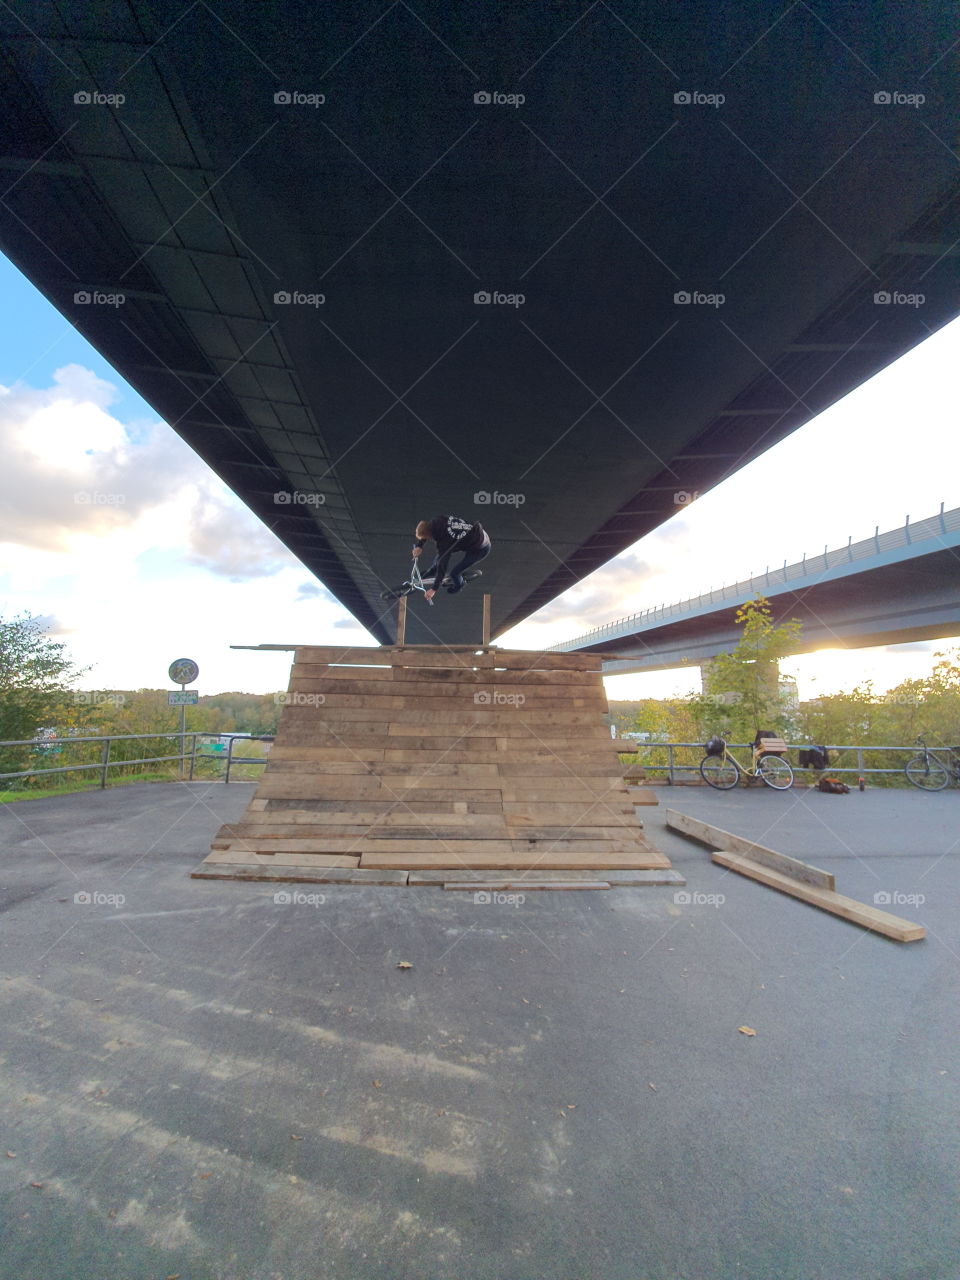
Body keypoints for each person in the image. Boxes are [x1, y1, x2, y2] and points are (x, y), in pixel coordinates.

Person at [411, 515, 491, 600]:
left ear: (430, 535)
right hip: (475, 533)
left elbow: (443, 566)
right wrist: (419, 546)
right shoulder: (436, 521)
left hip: (480, 549)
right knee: (439, 559)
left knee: (454, 573)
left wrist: (434, 589)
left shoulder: (444, 542)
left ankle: (460, 585)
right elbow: (427, 530)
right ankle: (432, 570)